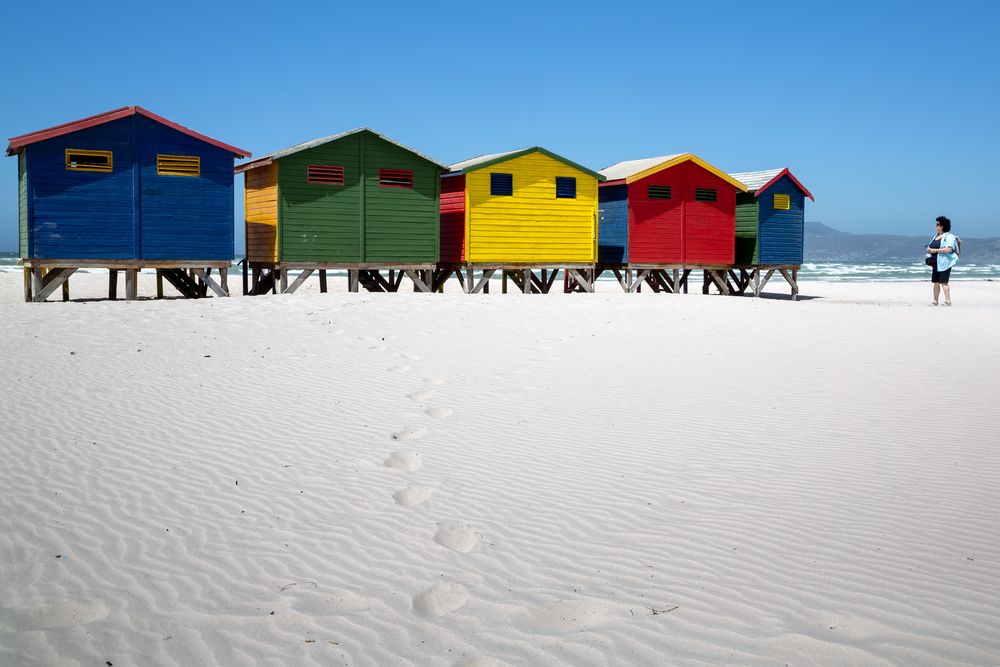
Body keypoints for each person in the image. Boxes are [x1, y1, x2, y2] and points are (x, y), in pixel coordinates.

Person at [926, 216, 958, 305]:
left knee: (944, 282)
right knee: (935, 282)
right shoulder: (936, 236)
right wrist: (929, 249)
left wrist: (935, 250)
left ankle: (948, 301)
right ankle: (935, 301)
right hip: (935, 263)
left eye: (937, 224)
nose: (936, 226)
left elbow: (948, 249)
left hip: (944, 263)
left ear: (942, 226)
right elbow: (931, 246)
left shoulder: (949, 237)